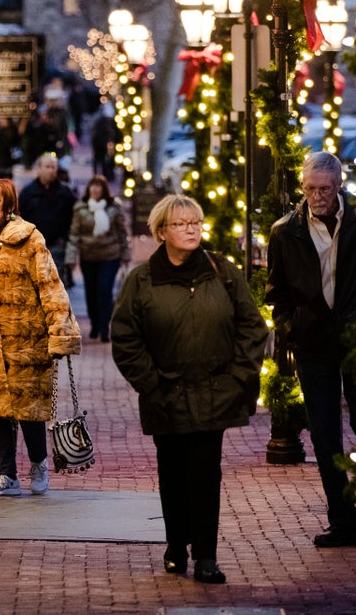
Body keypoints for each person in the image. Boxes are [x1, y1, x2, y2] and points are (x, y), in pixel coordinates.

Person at [110, 194, 268, 584]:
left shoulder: (222, 272)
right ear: (162, 231)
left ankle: (206, 555)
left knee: (206, 474)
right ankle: (176, 546)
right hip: (166, 394)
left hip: (215, 393)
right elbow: (126, 338)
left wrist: (237, 377)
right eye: (181, 224)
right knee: (173, 474)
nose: (191, 229)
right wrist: (151, 383)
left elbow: (252, 326)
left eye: (195, 222)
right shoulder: (142, 280)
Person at [263, 151, 356, 548]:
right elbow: (275, 291)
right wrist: (290, 328)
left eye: (324, 189)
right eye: (310, 189)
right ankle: (343, 521)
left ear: (339, 186)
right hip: (313, 344)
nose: (317, 197)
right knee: (325, 435)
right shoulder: (286, 232)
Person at [0, 177, 82, 496]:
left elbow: (50, 285)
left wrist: (60, 333)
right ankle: (7, 476)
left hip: (26, 339)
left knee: (29, 409)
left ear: (9, 204)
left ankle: (39, 465)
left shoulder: (30, 238)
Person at [66, 175, 130, 342]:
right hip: (88, 256)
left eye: (98, 186)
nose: (95, 189)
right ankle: (94, 323)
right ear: (88, 189)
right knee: (91, 293)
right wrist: (71, 258)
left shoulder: (114, 208)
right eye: (92, 186)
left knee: (104, 290)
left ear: (103, 189)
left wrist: (125, 254)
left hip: (110, 256)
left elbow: (122, 233)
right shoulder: (80, 208)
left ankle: (104, 327)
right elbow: (74, 234)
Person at [18, 153, 77, 287]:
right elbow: (19, 218)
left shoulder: (65, 193)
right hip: (34, 248)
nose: (51, 170)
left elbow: (74, 219)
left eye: (53, 167)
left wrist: (66, 240)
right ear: (39, 169)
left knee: (56, 288)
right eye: (47, 167)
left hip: (57, 247)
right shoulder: (28, 193)